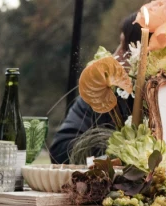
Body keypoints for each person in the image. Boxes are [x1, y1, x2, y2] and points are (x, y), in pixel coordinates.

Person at [49, 13, 140, 164]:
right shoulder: (101, 92)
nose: (116, 55)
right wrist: (118, 153)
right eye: (120, 44)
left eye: (126, 49)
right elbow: (60, 150)